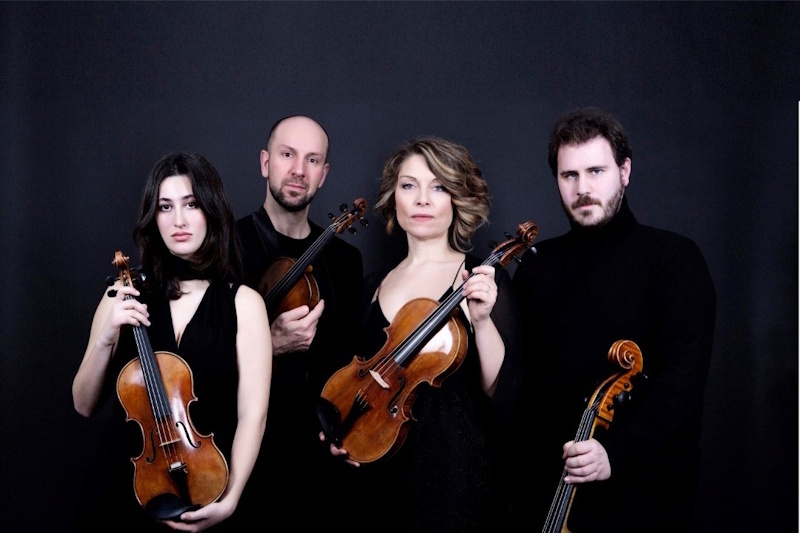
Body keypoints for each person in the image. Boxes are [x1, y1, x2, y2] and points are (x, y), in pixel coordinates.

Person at [510, 108, 716, 532]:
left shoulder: (673, 260)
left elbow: (682, 383)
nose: (583, 189)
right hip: (548, 493)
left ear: (624, 171)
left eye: (596, 171)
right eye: (569, 175)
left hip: (643, 498)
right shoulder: (536, 267)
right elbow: (523, 387)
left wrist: (615, 453)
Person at [322, 135, 524, 532]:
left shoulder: (482, 279)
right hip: (374, 478)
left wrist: (482, 321)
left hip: (453, 477)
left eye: (439, 187)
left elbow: (502, 395)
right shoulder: (371, 286)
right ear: (394, 197)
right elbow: (353, 382)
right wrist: (337, 430)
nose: (422, 200)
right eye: (409, 185)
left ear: (457, 199)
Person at [72, 152, 272, 532]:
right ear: (154, 217)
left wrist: (231, 499)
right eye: (166, 207)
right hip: (120, 489)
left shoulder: (244, 303)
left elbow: (253, 415)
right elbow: (83, 404)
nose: (178, 220)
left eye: (191, 204)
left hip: (203, 484)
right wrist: (106, 337)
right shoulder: (122, 294)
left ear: (211, 211)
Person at [235, 115, 364, 526]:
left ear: (323, 174)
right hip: (244, 453)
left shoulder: (345, 260)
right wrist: (268, 345)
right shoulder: (225, 247)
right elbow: (198, 358)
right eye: (287, 154)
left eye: (312, 160)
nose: (298, 170)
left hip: (319, 461)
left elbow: (350, 362)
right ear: (265, 162)